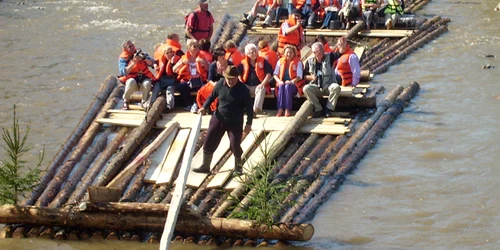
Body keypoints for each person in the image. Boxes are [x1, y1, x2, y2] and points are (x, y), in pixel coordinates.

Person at [193, 65, 253, 175]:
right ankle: (205, 166)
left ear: (237, 78)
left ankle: (238, 168)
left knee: (235, 144)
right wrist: (204, 107)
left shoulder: (243, 90)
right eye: (228, 78)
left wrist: (249, 123)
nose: (230, 81)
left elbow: (249, 108)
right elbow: (212, 97)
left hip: (235, 121)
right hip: (219, 117)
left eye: (233, 79)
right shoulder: (220, 84)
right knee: (209, 140)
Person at [302, 38, 346, 118]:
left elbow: (340, 53)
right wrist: (311, 77)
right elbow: (304, 76)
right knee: (306, 88)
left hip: (328, 85)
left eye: (322, 49)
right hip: (316, 86)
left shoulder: (330, 57)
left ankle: (329, 109)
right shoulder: (309, 61)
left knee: (336, 87)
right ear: (314, 53)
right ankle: (318, 109)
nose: (322, 51)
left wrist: (342, 45)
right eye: (320, 50)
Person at [173, 39, 209, 113]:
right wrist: (182, 63)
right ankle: (189, 104)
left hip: (200, 80)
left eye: (198, 46)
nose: (197, 48)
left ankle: (201, 105)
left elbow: (208, 68)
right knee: (181, 86)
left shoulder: (202, 57)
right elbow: (174, 70)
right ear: (189, 48)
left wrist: (203, 62)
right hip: (188, 80)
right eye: (194, 46)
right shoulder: (184, 58)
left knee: (205, 87)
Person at [118, 40, 156, 110]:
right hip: (132, 78)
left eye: (133, 45)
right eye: (130, 46)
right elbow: (123, 71)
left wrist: (145, 59)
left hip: (143, 77)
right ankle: (126, 101)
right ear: (125, 49)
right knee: (130, 82)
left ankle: (144, 102)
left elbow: (152, 63)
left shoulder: (142, 54)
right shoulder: (123, 58)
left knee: (147, 83)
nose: (132, 47)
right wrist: (134, 62)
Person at [238, 43, 273, 114]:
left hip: (258, 85)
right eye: (252, 52)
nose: (254, 53)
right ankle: (241, 109)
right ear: (247, 54)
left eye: (255, 51)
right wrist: (241, 82)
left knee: (261, 88)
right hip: (247, 85)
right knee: (240, 89)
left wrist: (263, 83)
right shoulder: (243, 62)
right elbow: (238, 73)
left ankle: (255, 110)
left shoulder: (263, 61)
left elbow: (269, 73)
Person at [196, 48, 232, 114]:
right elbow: (210, 79)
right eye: (221, 55)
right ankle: (209, 108)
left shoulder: (230, 64)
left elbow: (233, 77)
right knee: (206, 91)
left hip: (228, 84)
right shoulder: (213, 65)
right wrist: (214, 84)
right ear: (217, 57)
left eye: (224, 54)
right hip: (215, 84)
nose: (223, 56)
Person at [273, 45, 304, 117]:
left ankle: (287, 109)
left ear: (294, 53)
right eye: (287, 52)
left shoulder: (298, 62)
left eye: (291, 52)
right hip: (282, 83)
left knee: (287, 86)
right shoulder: (280, 61)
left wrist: (292, 82)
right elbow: (275, 74)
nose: (289, 54)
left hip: (294, 85)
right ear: (284, 53)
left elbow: (299, 76)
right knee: (281, 86)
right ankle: (280, 108)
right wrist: (279, 81)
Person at [151, 45, 180, 111]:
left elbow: (177, 72)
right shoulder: (161, 60)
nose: (170, 54)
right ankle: (151, 103)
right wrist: (155, 65)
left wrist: (172, 64)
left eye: (171, 52)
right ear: (164, 54)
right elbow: (153, 63)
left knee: (169, 90)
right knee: (156, 88)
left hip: (172, 81)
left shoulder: (177, 60)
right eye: (167, 53)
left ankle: (169, 106)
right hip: (162, 81)